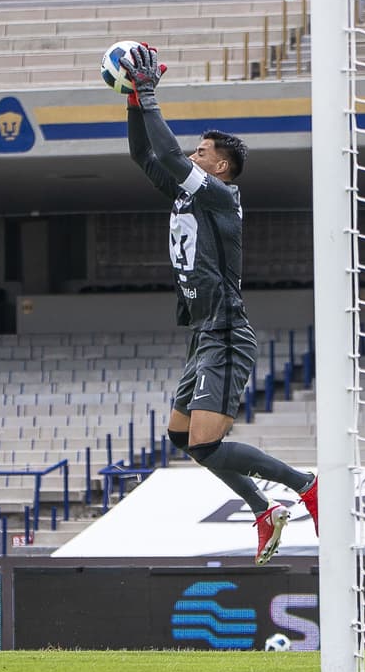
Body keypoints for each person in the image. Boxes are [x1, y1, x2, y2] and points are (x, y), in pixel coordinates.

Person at [121, 43, 317, 565]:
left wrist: (148, 93)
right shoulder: (190, 192)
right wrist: (132, 104)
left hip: (226, 331)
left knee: (206, 443)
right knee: (182, 437)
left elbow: (165, 155)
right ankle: (264, 508)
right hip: (203, 331)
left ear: (222, 166)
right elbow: (145, 155)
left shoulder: (218, 195)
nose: (192, 154)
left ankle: (305, 485)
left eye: (202, 152)